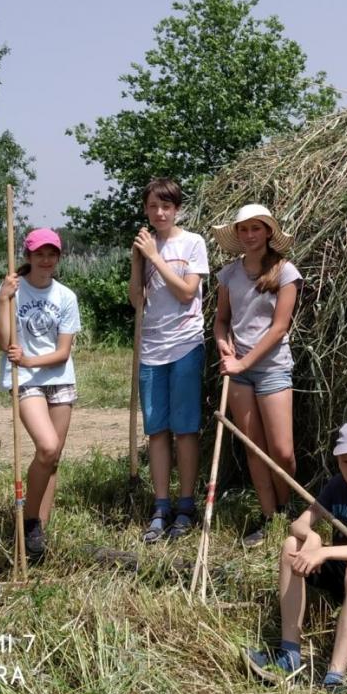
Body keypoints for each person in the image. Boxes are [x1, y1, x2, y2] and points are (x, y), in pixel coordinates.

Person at [245, 421, 347, 694]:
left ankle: (334, 676)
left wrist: (323, 552)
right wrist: (312, 539)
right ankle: (289, 655)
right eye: (346, 462)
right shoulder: (337, 486)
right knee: (291, 546)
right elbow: (299, 524)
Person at [213, 203, 303, 548]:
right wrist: (223, 345)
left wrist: (244, 362)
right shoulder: (229, 275)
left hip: (271, 367)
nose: (249, 235)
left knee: (281, 451)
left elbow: (280, 327)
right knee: (254, 448)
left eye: (256, 228)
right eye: (243, 229)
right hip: (237, 370)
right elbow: (221, 321)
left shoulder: (285, 272)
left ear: (268, 232)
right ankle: (269, 517)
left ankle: (287, 508)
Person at [0, 227, 82, 564]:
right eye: (39, 253)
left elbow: (62, 352)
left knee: (53, 459)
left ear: (58, 257)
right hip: (25, 380)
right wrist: (3, 299)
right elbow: (2, 340)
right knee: (47, 447)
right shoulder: (12, 291)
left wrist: (30, 358)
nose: (46, 260)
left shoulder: (66, 297)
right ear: (28, 256)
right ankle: (29, 520)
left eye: (52, 253)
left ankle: (37, 537)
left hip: (59, 378)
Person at [130, 178, 210, 543]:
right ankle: (160, 504)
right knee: (156, 430)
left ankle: (186, 504)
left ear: (177, 208)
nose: (159, 213)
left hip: (185, 345)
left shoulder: (192, 243)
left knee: (185, 428)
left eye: (166, 206)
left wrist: (154, 258)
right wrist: (137, 262)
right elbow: (137, 302)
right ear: (146, 209)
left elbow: (187, 292)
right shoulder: (145, 247)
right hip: (152, 348)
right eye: (152, 206)